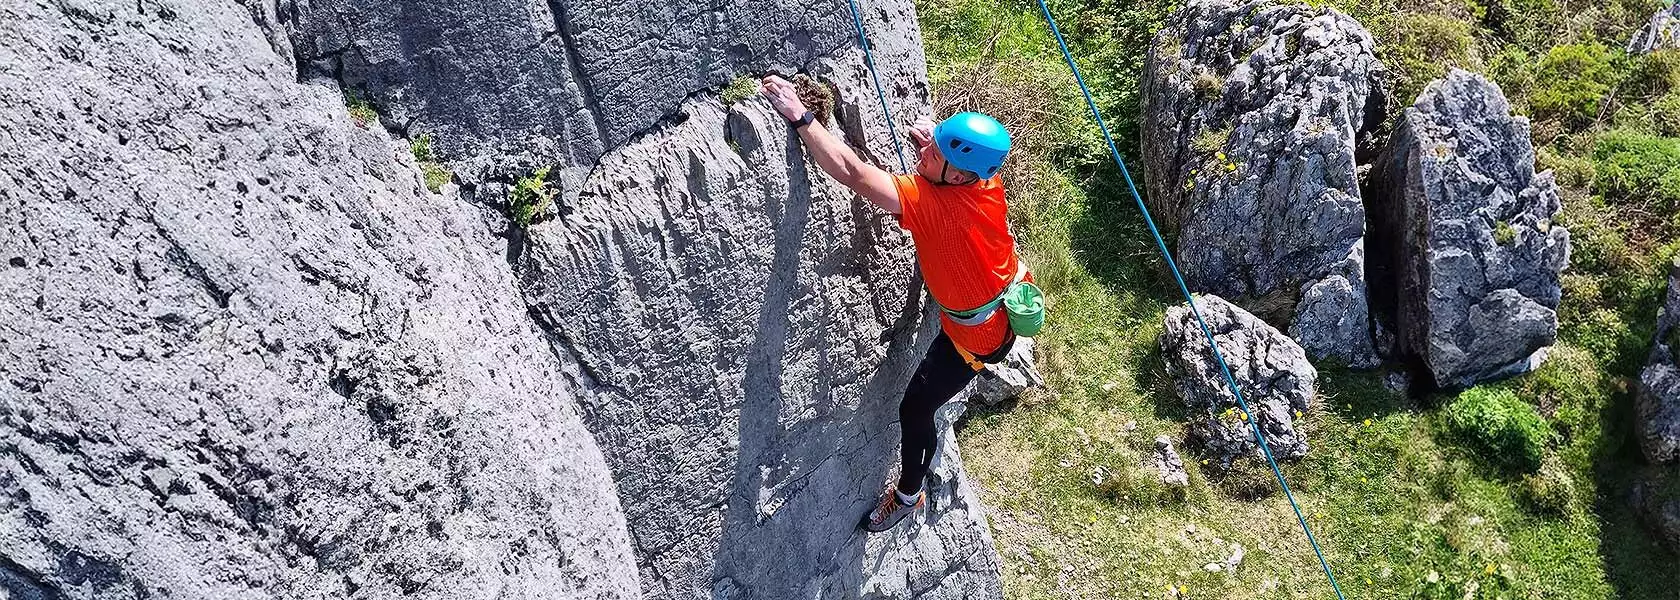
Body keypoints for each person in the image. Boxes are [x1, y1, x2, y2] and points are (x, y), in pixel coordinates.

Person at [759, 75, 1029, 533]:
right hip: (999, 302)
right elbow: (950, 164)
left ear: (957, 175)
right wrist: (936, 144)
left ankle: (907, 496)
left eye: (935, 153)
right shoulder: (985, 182)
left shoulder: (929, 204)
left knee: (915, 408)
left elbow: (853, 172)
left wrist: (802, 117)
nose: (924, 152)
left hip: (976, 339)